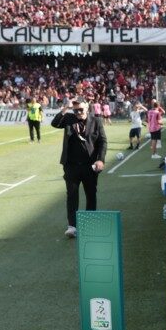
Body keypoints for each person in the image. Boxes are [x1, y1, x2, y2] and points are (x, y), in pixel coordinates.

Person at [51, 97, 108, 238]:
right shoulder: (69, 118)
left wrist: (100, 160)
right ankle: (72, 226)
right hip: (71, 165)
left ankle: (90, 223)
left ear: (87, 108)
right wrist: (66, 108)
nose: (78, 112)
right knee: (71, 195)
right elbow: (55, 123)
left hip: (90, 165)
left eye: (81, 109)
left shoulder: (96, 121)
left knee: (91, 194)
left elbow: (103, 142)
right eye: (75, 110)